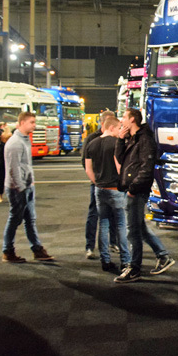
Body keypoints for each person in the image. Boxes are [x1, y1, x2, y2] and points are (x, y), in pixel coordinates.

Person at [113, 108, 174, 283]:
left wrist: (133, 189)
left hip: (136, 191)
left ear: (132, 119)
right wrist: (120, 139)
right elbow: (121, 159)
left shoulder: (144, 139)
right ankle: (163, 256)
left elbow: (146, 168)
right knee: (139, 227)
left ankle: (134, 268)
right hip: (132, 189)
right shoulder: (133, 138)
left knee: (132, 231)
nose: (121, 120)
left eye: (124, 117)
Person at [2, 111, 54, 263]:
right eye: (32, 122)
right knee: (15, 219)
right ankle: (7, 251)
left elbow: (24, 166)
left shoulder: (24, 140)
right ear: (22, 123)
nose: (34, 125)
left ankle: (37, 249)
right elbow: (13, 169)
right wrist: (21, 188)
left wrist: (30, 183)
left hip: (26, 186)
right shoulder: (15, 143)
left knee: (30, 219)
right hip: (18, 188)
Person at [84, 115, 131, 274]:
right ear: (111, 127)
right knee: (121, 225)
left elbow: (88, 169)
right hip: (115, 189)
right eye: (118, 128)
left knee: (103, 224)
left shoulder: (92, 144)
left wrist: (97, 182)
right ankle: (125, 261)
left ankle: (105, 260)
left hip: (99, 189)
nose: (119, 131)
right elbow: (120, 167)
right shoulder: (116, 144)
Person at [82, 110, 117, 258]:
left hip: (110, 183)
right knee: (94, 214)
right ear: (103, 123)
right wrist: (97, 181)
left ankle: (113, 242)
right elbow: (85, 163)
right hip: (98, 183)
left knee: (113, 215)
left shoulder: (114, 139)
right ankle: (90, 246)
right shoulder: (92, 139)